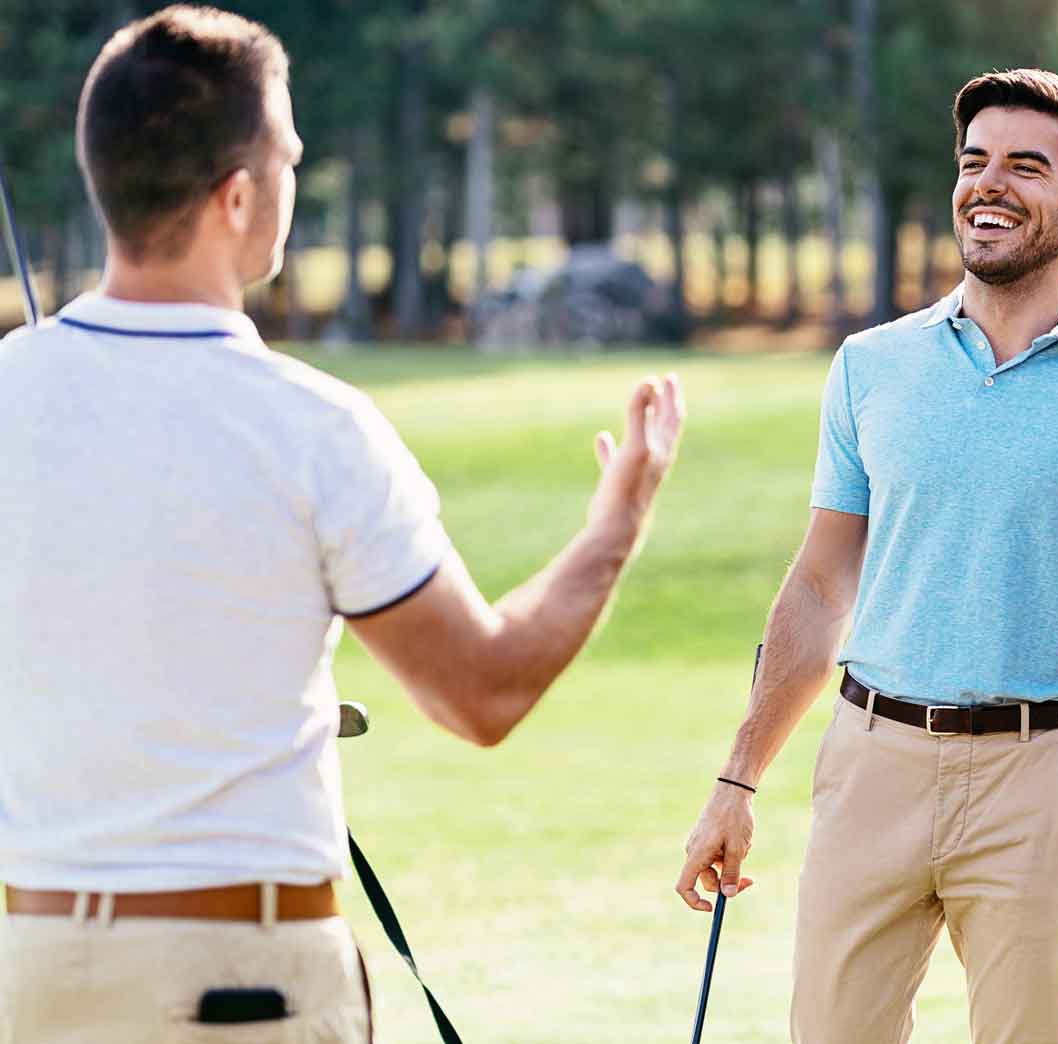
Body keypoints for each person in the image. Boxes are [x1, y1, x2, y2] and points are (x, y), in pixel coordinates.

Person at [0, 7, 683, 1042]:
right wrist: (617, 520)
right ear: (237, 197)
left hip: (31, 975)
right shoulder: (315, 427)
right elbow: (482, 691)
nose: (295, 174)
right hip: (238, 987)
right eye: (287, 158)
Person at [675, 68, 1058, 1043]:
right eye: (972, 164)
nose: (987, 185)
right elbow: (819, 582)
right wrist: (737, 779)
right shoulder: (869, 367)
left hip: (1035, 776)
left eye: (1022, 166)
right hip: (868, 761)